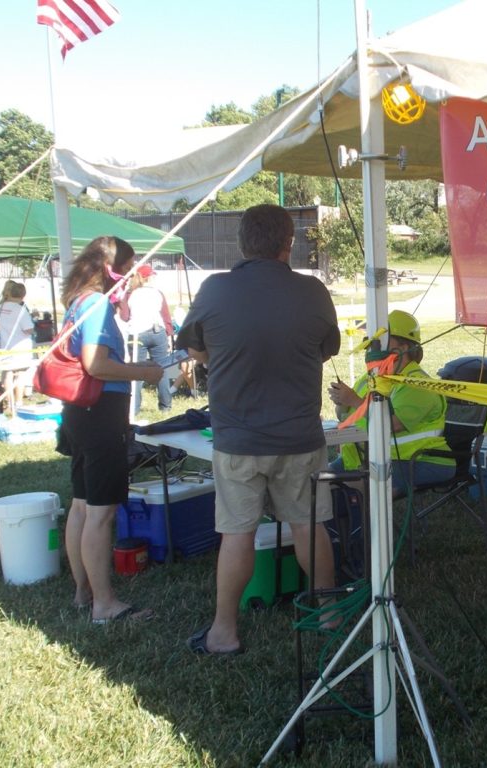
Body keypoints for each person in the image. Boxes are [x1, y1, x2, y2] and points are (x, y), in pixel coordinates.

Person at [179, 204, 341, 655]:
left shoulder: (215, 289)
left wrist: (221, 360)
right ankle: (327, 613)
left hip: (238, 440)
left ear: (241, 243)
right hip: (300, 436)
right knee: (310, 526)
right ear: (288, 242)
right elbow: (326, 350)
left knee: (237, 533)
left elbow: (192, 345)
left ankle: (223, 632)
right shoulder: (313, 291)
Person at [56, 236, 164, 624]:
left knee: (83, 506)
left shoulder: (78, 302)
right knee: (101, 513)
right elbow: (96, 364)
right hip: (100, 414)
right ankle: (105, 603)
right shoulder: (97, 304)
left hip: (79, 413)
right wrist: (145, 372)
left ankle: (83, 592)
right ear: (114, 269)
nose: (133, 278)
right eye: (130, 268)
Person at [328, 309, 452, 495]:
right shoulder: (372, 376)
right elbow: (344, 414)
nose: (373, 349)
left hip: (420, 460)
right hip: (368, 458)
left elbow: (391, 425)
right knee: (320, 482)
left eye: (381, 343)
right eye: (372, 342)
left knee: (346, 490)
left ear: (402, 349)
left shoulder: (417, 384)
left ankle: (359, 523)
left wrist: (353, 400)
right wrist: (342, 401)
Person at [125, 264, 175, 411]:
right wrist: (169, 335)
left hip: (137, 333)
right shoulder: (157, 292)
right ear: (148, 278)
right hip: (157, 332)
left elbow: (124, 315)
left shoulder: (130, 293)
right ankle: (166, 406)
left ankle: (134, 408)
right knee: (162, 369)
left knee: (136, 370)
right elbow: (166, 316)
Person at [0, 280, 35, 414]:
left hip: (5, 345)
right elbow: (28, 329)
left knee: (7, 373)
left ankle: (9, 402)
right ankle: (18, 402)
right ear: (23, 295)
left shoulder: (0, 307)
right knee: (20, 374)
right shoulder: (21, 309)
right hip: (21, 346)